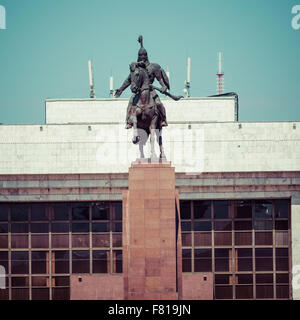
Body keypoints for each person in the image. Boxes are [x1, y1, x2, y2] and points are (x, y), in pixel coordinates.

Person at [115, 35, 169, 129]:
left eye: (144, 56)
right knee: (131, 102)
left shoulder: (154, 67)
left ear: (147, 56)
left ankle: (163, 119)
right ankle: (128, 121)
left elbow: (160, 79)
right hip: (139, 92)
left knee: (159, 103)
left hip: (151, 91)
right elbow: (129, 80)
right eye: (140, 56)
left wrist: (164, 86)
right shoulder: (137, 69)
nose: (142, 57)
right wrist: (121, 89)